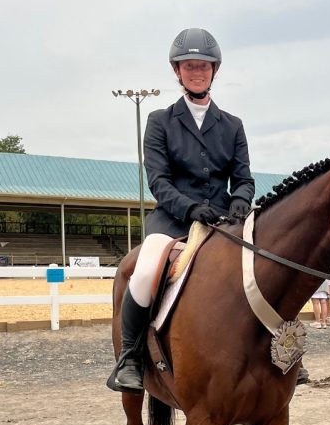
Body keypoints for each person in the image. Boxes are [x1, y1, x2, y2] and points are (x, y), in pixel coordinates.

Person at [108, 27, 255, 393]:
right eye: (189, 66)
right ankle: (130, 358)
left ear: (214, 70)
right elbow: (158, 180)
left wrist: (240, 200)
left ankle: (281, 350)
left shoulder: (233, 125)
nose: (196, 72)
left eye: (203, 66)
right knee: (144, 271)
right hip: (172, 220)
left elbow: (244, 179)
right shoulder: (160, 121)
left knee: (267, 265)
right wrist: (190, 208)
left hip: (223, 221)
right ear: (177, 71)